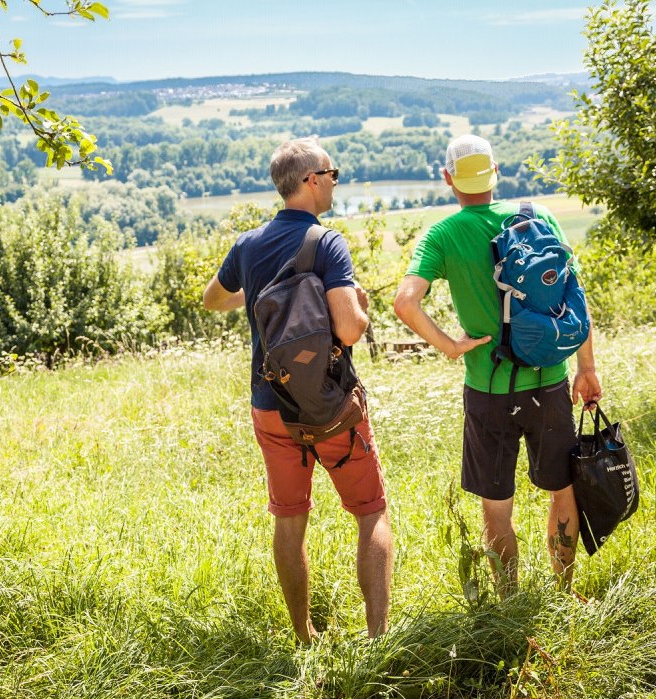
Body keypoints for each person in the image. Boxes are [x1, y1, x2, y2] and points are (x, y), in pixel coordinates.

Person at [202, 137, 393, 641]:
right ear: (311, 180)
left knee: (289, 520)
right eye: (332, 174)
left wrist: (256, 296)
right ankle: (376, 638)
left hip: (270, 404)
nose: (334, 182)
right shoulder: (326, 243)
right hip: (331, 406)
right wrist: (362, 305)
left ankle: (304, 637)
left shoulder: (246, 245)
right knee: (370, 512)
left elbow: (212, 299)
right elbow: (350, 331)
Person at [392, 134, 602, 593]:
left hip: (488, 388)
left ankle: (509, 597)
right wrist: (586, 367)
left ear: (448, 179)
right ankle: (563, 592)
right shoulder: (538, 216)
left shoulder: (443, 234)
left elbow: (405, 302)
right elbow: (574, 298)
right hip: (549, 382)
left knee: (496, 502)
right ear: (496, 173)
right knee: (561, 489)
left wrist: (450, 346)